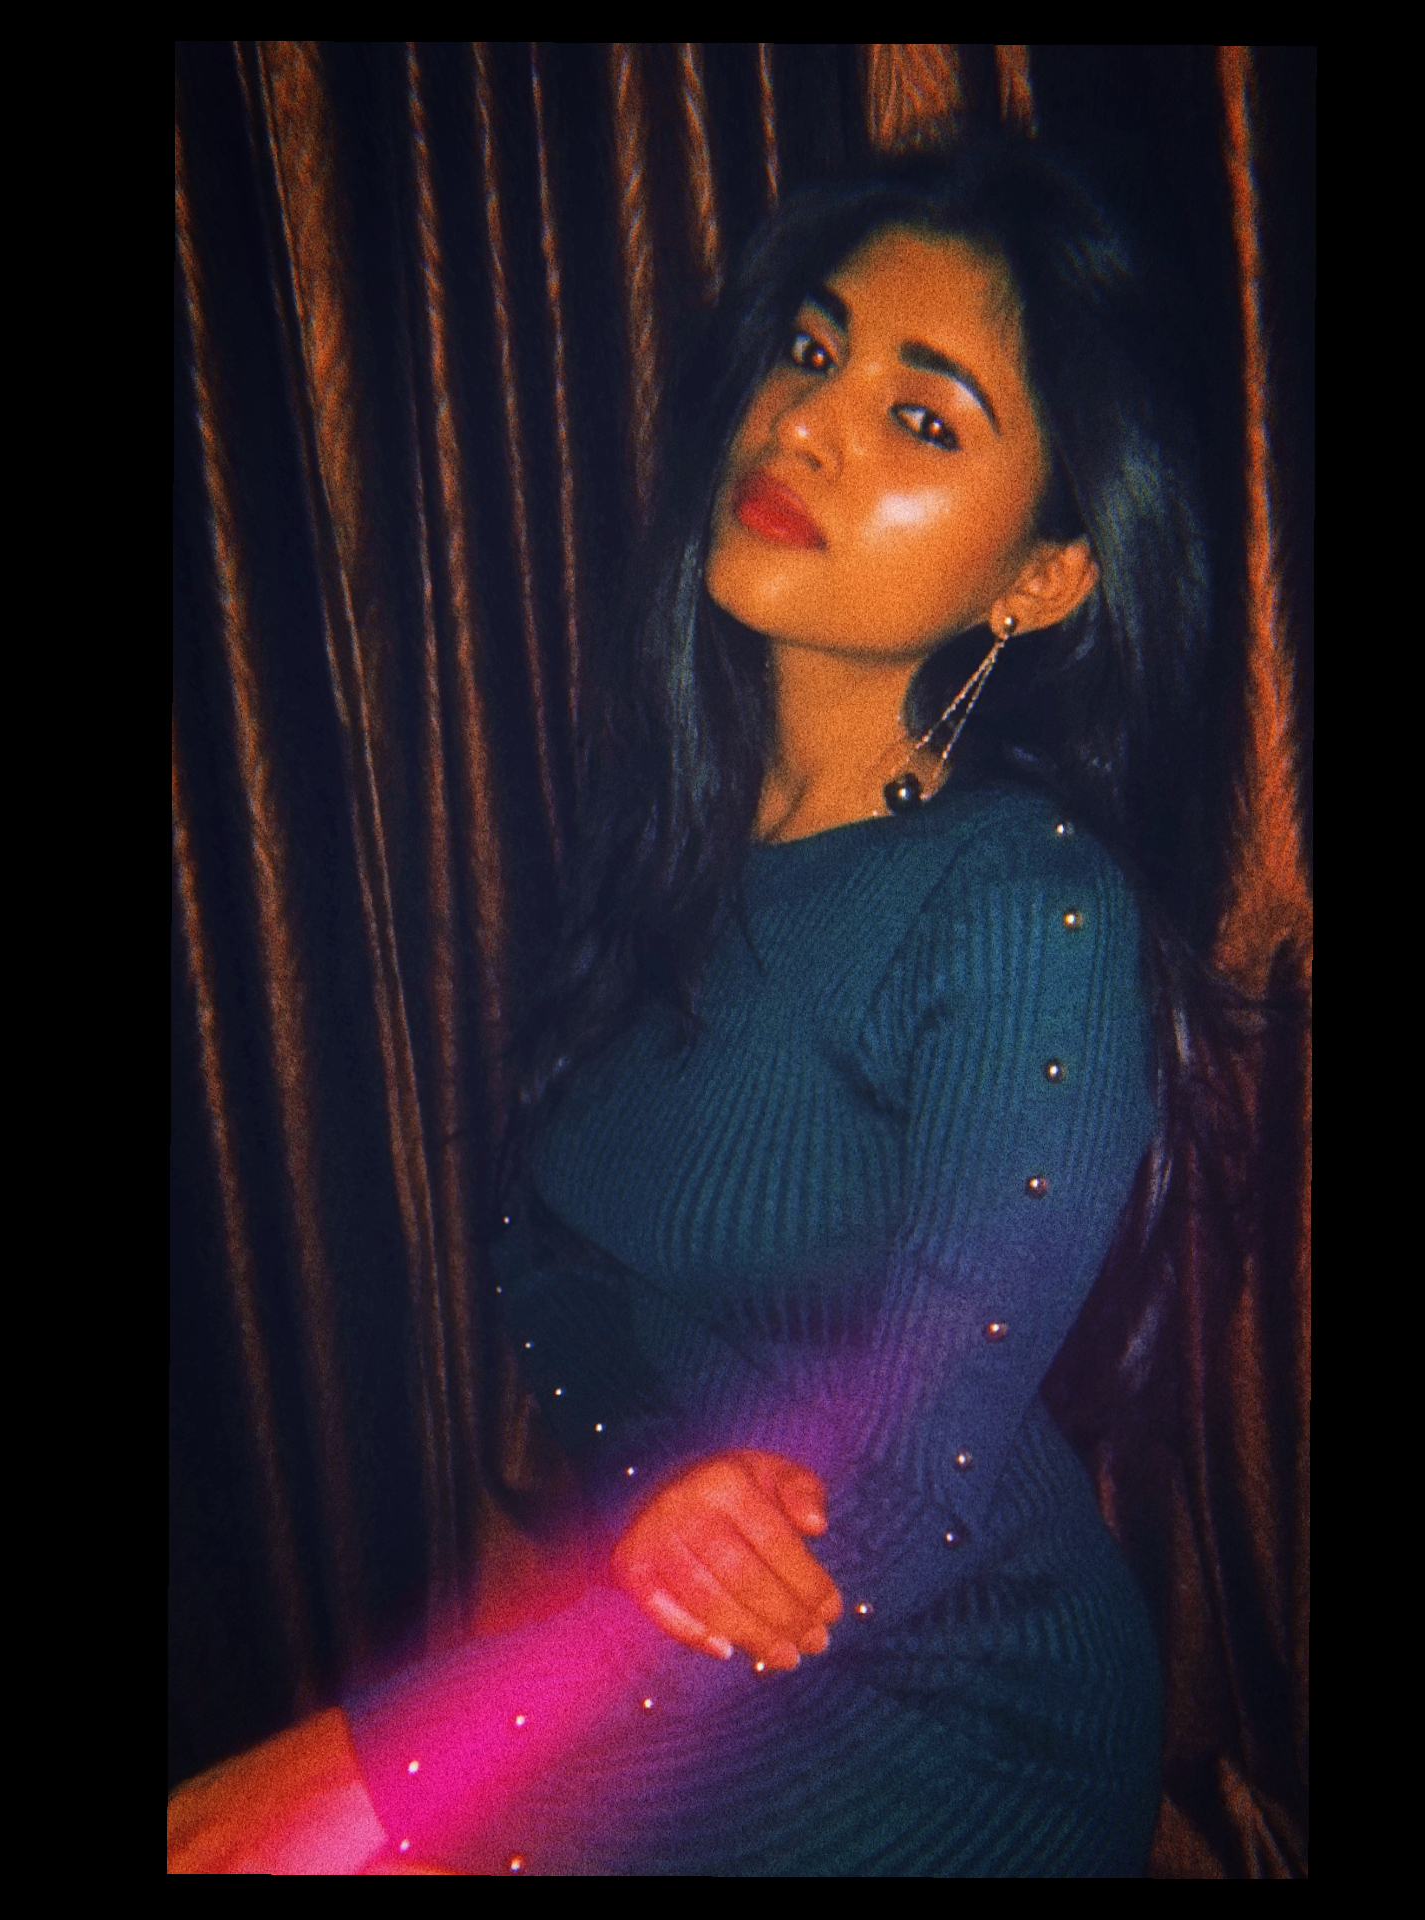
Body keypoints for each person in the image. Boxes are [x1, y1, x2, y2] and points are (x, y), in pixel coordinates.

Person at [168, 136, 1214, 1877]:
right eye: (810, 352)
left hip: (956, 1706)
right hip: (703, 1634)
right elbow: (550, 1272)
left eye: (922, 416)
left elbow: (910, 1493)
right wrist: (661, 1476)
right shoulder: (676, 844)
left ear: (1042, 576)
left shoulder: (1026, 905)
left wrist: (409, 1757)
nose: (803, 425)